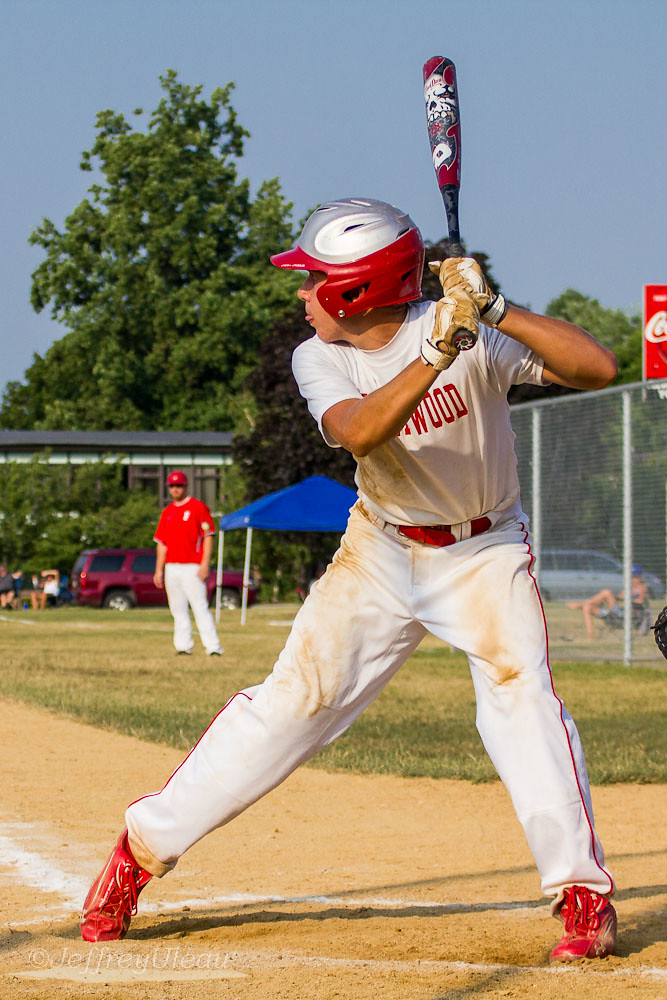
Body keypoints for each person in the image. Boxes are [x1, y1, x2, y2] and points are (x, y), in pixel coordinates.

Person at [81, 198, 619, 962]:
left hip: (484, 553)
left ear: (354, 291)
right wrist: (434, 354)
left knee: (521, 703)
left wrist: (496, 308)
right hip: (380, 551)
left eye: (313, 281)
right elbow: (361, 432)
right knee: (291, 708)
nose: (301, 295)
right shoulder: (320, 356)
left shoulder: (471, 328)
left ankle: (581, 895)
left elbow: (597, 367)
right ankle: (138, 853)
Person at [152, 470, 223, 657]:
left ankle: (213, 647)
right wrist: (159, 569)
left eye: (179, 485)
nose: (175, 489)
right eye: (172, 486)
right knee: (177, 608)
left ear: (186, 486)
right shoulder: (167, 512)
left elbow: (208, 536)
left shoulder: (198, 507)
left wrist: (205, 563)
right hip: (172, 566)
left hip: (192, 565)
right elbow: (161, 544)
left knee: (199, 606)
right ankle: (183, 646)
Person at [568, 565, 649, 639]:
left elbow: (639, 601)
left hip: (626, 617)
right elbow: (620, 597)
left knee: (607, 592)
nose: (633, 579)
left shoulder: (642, 587)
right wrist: (614, 599)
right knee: (587, 607)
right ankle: (590, 637)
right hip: (616, 614)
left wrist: (625, 598)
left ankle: (579, 604)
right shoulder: (629, 586)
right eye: (632, 577)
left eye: (636, 577)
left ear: (641, 577)